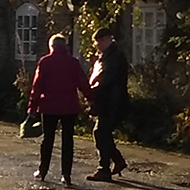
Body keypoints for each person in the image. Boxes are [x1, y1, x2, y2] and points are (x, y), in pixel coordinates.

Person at [27, 33, 93, 186]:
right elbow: (83, 83)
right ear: (65, 46)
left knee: (47, 139)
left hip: (48, 106)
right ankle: (66, 175)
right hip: (69, 106)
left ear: (51, 46)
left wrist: (32, 106)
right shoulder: (73, 62)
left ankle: (43, 171)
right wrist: (91, 98)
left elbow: (37, 86)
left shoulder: (45, 62)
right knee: (67, 140)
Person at [86, 28, 129, 181]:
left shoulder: (114, 58)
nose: (97, 45)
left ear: (107, 39)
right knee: (102, 132)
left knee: (101, 132)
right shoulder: (105, 57)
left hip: (113, 102)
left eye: (98, 41)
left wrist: (91, 92)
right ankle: (117, 161)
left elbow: (105, 81)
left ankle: (104, 169)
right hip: (108, 102)